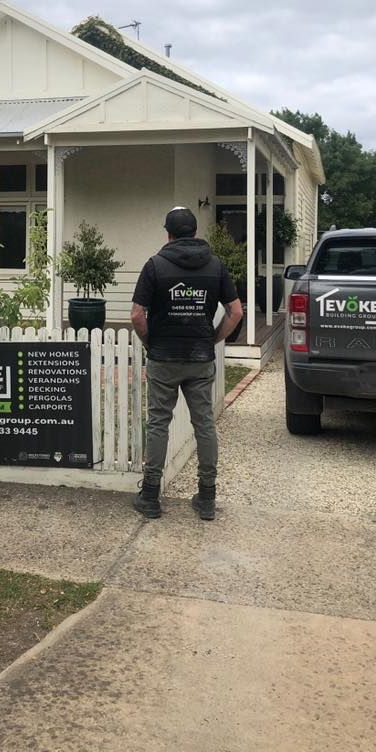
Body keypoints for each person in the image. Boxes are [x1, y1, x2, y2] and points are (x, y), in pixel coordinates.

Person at [130, 206, 243, 521]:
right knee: (204, 424)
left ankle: (150, 496)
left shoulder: (155, 266)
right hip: (199, 357)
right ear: (194, 232)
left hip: (163, 358)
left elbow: (138, 315)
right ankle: (207, 497)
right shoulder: (215, 266)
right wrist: (213, 339)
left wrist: (150, 342)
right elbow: (235, 312)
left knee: (158, 423)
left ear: (168, 233)